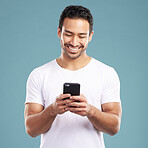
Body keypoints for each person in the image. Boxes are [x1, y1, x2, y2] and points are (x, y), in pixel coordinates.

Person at [24, 5, 122, 148]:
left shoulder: (107, 73)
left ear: (90, 36)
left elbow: (114, 127)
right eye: (69, 34)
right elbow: (31, 130)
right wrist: (53, 110)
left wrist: (90, 111)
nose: (74, 42)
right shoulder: (39, 74)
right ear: (59, 32)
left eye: (81, 36)